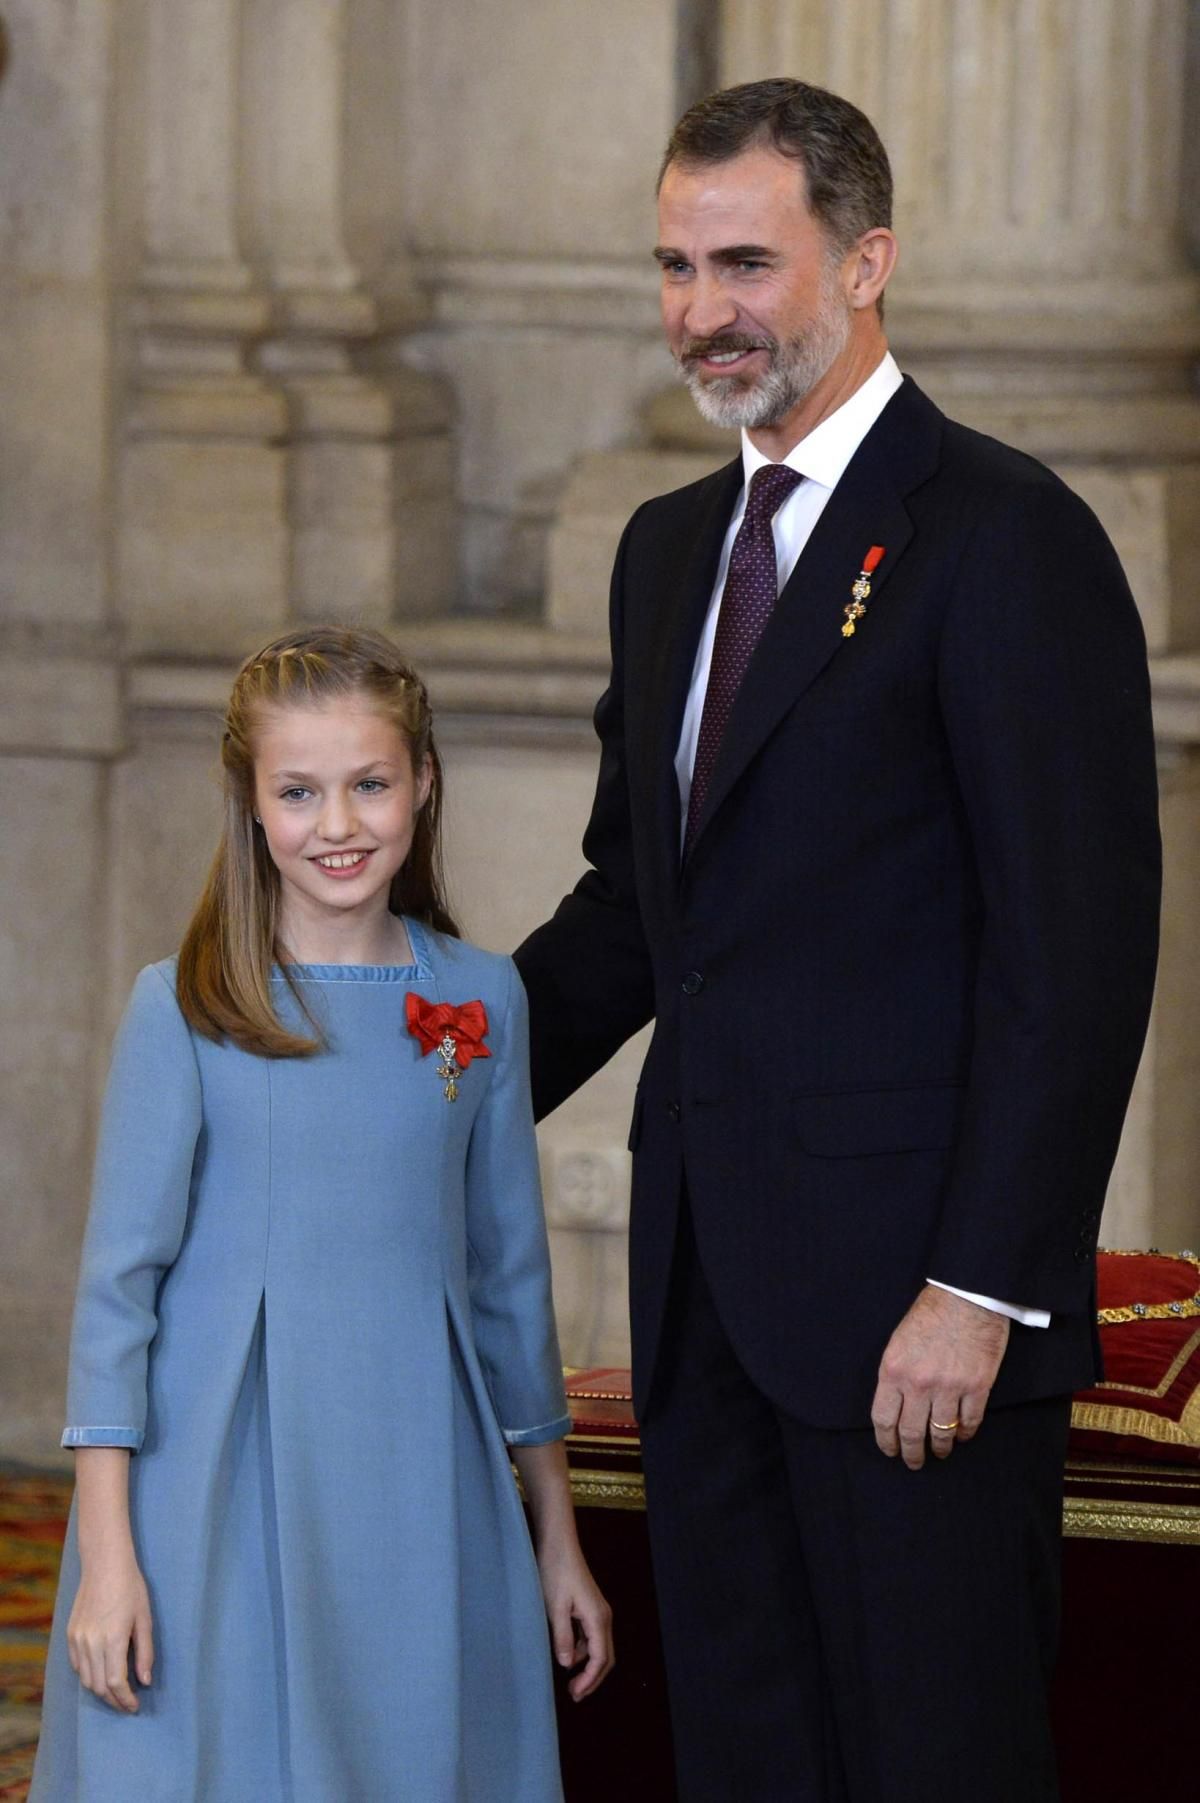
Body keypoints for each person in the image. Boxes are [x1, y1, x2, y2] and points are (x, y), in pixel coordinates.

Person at [515, 77, 1160, 1802]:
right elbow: (637, 919)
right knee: (751, 1764)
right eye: (672, 265)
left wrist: (982, 1286)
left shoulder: (1007, 538)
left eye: (745, 261)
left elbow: (1075, 955)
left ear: (866, 260)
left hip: (916, 1324)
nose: (700, 311)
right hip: (709, 1301)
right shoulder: (664, 557)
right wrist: (404, 1052)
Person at [32, 626, 612, 1803]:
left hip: (418, 1477)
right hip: (218, 1478)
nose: (336, 825)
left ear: (424, 784)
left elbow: (510, 1281)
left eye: (369, 785)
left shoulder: (479, 999)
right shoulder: (182, 1008)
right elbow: (117, 1297)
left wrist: (558, 1539)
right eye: (298, 792)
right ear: (251, 805)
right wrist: (105, 1560)